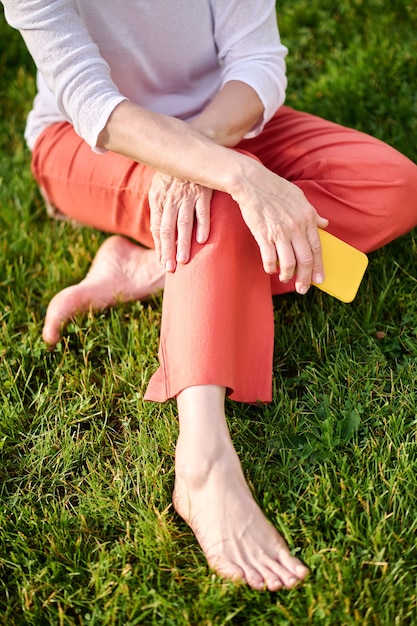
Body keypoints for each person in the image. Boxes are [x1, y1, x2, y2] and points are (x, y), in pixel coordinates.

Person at [3, 0, 417, 592]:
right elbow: (90, 102)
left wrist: (205, 155)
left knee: (392, 186)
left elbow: (257, 60)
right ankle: (202, 457)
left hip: (224, 119)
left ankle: (153, 265)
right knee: (217, 198)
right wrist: (233, 174)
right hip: (88, 144)